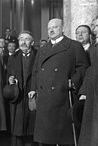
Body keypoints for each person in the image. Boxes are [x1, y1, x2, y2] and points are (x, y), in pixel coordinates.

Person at [28, 18, 90, 146]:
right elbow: (35, 71)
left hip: (63, 99)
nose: (51, 30)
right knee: (45, 140)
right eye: (49, 28)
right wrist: (33, 89)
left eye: (55, 27)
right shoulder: (43, 49)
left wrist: (73, 82)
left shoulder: (73, 46)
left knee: (64, 140)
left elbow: (84, 68)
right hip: (44, 101)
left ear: (63, 29)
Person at [7, 31, 38, 146]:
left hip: (33, 97)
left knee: (32, 131)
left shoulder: (38, 55)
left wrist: (35, 89)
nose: (23, 42)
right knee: (18, 130)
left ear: (33, 42)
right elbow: (8, 75)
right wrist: (10, 80)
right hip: (18, 99)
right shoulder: (13, 57)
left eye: (27, 39)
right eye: (21, 39)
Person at [78, 17, 98, 146]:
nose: (95, 29)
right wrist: (84, 90)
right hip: (92, 91)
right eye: (94, 26)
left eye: (97, 26)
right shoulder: (95, 47)